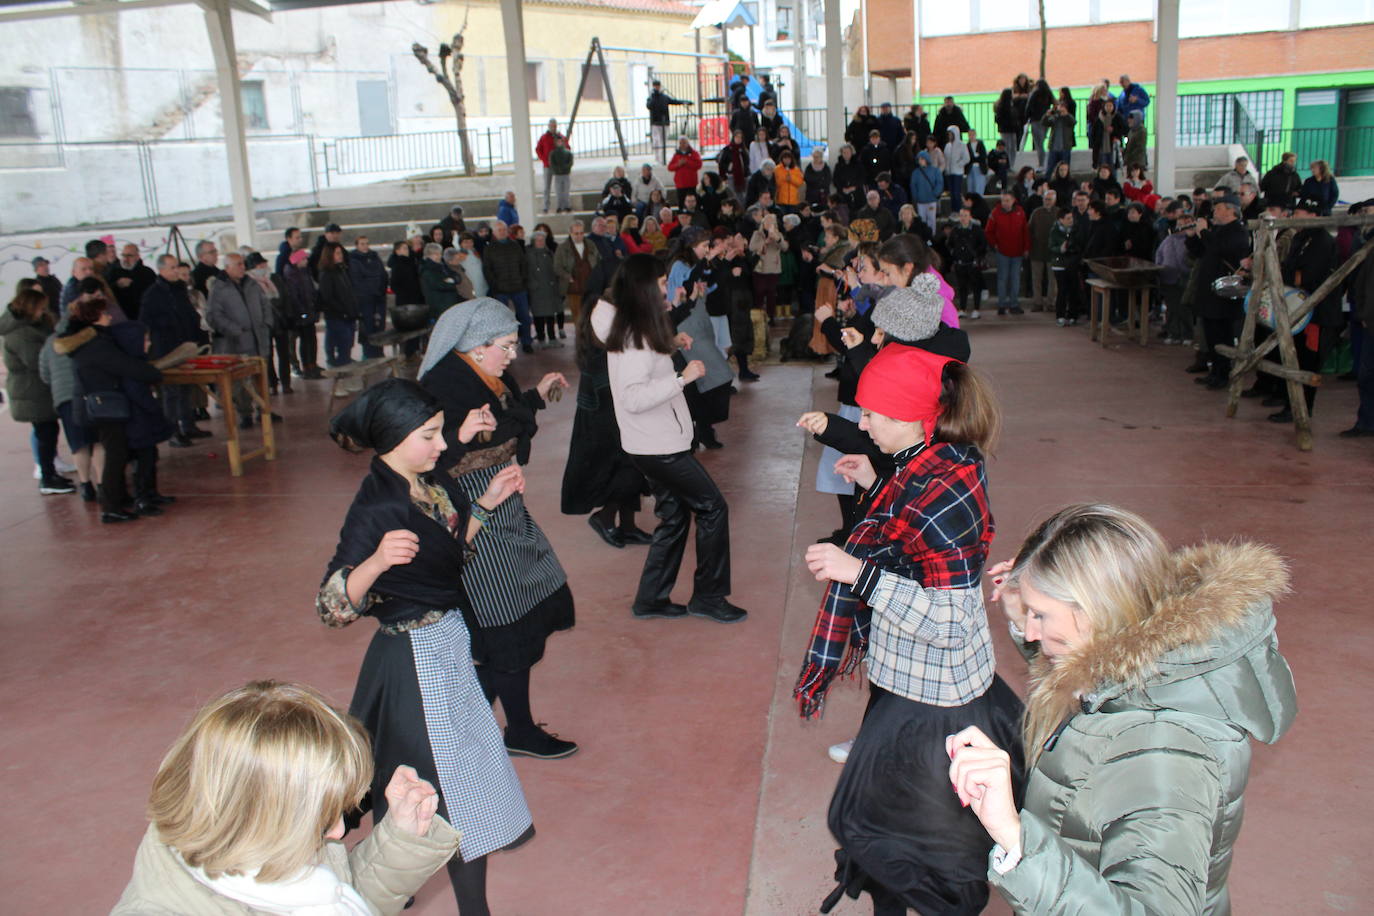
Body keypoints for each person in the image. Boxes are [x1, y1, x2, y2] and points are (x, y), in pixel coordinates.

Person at [949, 504, 1295, 915]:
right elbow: (1098, 689)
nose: (1029, 630)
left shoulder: (1166, 753)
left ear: (1099, 613)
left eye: (1040, 615)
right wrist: (1025, 609)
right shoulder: (1150, 669)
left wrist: (1015, 837)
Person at [796, 343, 1023, 916]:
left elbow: (948, 619)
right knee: (887, 836)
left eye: (872, 414)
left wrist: (859, 574)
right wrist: (875, 483)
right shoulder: (930, 461)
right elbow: (911, 536)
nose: (862, 423)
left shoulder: (944, 487)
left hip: (934, 701)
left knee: (912, 845)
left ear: (914, 418)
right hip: (907, 682)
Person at [317, 379, 534, 913]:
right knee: (447, 793)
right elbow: (329, 608)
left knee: (434, 781)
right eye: (431, 435)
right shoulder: (376, 507)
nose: (443, 446)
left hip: (446, 646)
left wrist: (484, 505)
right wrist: (374, 563)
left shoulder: (424, 481)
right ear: (393, 439)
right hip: (414, 659)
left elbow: (446, 552)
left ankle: (395, 876)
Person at [111, 680, 463, 915]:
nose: (339, 832)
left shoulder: (246, 837)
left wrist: (399, 838)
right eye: (321, 817)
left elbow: (341, 895)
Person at [418, 301, 577, 761]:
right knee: (504, 620)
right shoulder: (441, 387)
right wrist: (460, 438)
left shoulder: (483, 375)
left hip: (502, 501)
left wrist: (536, 393)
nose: (511, 355)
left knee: (526, 601)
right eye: (505, 346)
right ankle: (511, 731)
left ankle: (468, 730)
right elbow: (423, 459)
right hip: (474, 513)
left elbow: (504, 417)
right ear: (477, 345)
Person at [592, 254, 747, 624]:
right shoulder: (631, 336)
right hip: (657, 447)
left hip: (656, 442)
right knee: (712, 507)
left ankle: (651, 599)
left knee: (675, 517)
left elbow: (646, 367)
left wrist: (671, 345)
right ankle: (708, 596)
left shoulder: (636, 327)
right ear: (644, 288)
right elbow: (632, 397)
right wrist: (682, 378)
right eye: (661, 283)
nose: (665, 288)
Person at [54, 293, 163, 522]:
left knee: (116, 453)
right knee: (115, 455)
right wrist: (152, 373)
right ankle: (111, 507)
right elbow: (124, 366)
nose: (109, 317)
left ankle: (117, 499)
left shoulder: (91, 341)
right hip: (104, 406)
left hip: (101, 404)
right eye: (104, 313)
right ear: (94, 318)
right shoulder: (95, 344)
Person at [561, 294, 652, 548]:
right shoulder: (600, 351)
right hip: (603, 422)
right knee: (623, 472)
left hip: (614, 417)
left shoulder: (608, 343)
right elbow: (609, 395)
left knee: (631, 470)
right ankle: (604, 518)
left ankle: (629, 526)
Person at [2, 289, 73, 495]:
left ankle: (50, 472)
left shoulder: (31, 327)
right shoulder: (20, 333)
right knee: (45, 433)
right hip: (32, 390)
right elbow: (34, 361)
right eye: (41, 308)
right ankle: (47, 476)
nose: (44, 312)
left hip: (37, 389)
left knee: (48, 431)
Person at [140, 253, 211, 444]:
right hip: (167, 349)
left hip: (186, 345)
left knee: (186, 388)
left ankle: (188, 425)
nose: (176, 271)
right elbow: (146, 321)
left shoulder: (179, 290)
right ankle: (172, 432)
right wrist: (168, 324)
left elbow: (189, 314)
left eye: (176, 267)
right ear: (162, 270)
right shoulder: (153, 294)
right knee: (171, 392)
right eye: (172, 268)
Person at [1186, 193, 1251, 388]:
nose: (1215, 211)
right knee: (1211, 334)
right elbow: (1199, 252)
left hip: (1225, 293)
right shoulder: (1218, 230)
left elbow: (1221, 248)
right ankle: (1214, 370)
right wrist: (1192, 237)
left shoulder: (1238, 231)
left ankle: (1223, 373)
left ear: (1231, 210)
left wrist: (1204, 233)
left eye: (1219, 207)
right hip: (1209, 292)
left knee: (1223, 334)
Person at [206, 252, 275, 427]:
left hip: (259, 338)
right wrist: (234, 330)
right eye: (238, 264)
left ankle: (264, 410)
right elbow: (214, 315)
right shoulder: (219, 288)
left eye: (243, 264)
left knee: (261, 377)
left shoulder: (252, 284)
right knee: (242, 382)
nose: (242, 267)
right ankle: (246, 413)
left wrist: (266, 323)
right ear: (227, 267)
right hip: (237, 342)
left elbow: (265, 304)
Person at [483, 221, 535, 354]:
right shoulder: (489, 248)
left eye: (504, 229)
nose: (502, 232)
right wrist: (495, 285)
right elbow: (487, 269)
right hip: (501, 290)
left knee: (524, 317)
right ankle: (505, 346)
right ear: (494, 232)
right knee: (503, 320)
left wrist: (523, 282)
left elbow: (523, 265)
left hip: (519, 288)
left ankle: (527, 342)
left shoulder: (515, 245)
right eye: (499, 230)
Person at [986, 191, 1030, 316]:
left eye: (1007, 200)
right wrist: (995, 244)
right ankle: (1001, 305)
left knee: (1015, 279)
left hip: (1018, 251)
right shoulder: (995, 213)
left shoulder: (1020, 212)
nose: (1004, 203)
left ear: (1013, 200)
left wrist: (1026, 247)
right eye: (1003, 200)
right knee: (1002, 279)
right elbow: (988, 231)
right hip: (1002, 252)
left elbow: (1025, 231)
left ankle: (1014, 304)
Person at [281, 247, 323, 378]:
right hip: (302, 314)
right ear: (297, 260)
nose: (306, 260)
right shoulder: (292, 275)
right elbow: (295, 297)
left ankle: (313, 364)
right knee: (306, 341)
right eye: (304, 258)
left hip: (309, 312)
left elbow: (310, 291)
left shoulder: (305, 272)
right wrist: (303, 313)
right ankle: (307, 367)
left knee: (312, 340)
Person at [316, 241, 359, 370]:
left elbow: (348, 290)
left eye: (341, 253)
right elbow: (328, 298)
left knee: (347, 343)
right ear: (330, 255)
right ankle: (341, 367)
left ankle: (344, 363)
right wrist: (343, 311)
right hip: (337, 316)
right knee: (342, 343)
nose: (340, 256)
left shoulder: (341, 269)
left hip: (347, 314)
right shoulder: (326, 274)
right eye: (337, 253)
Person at [349, 236, 389, 360]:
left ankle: (379, 351)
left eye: (366, 243)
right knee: (368, 327)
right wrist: (371, 290)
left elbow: (383, 275)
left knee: (379, 326)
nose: (365, 246)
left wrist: (381, 290)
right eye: (362, 244)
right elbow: (358, 281)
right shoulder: (353, 260)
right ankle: (369, 353)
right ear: (357, 245)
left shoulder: (374, 257)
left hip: (379, 298)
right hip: (365, 299)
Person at [948, 207, 988, 320]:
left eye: (965, 215)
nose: (963, 218)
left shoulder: (977, 229)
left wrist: (977, 255)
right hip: (960, 263)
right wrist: (954, 253)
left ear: (970, 217)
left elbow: (983, 244)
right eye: (961, 215)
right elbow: (950, 244)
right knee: (962, 287)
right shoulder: (955, 230)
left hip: (973, 263)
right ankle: (962, 309)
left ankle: (976, 309)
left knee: (976, 286)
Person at [527, 230, 562, 349]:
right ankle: (541, 338)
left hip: (550, 289)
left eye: (543, 240)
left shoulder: (549, 253)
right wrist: (533, 284)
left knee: (551, 315)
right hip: (536, 290)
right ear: (533, 241)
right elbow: (526, 271)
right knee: (538, 316)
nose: (541, 242)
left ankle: (552, 338)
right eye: (538, 240)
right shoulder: (529, 254)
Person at [750, 211, 788, 319]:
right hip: (760, 268)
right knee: (759, 292)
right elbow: (751, 247)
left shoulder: (778, 234)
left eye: (771, 222)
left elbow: (784, 247)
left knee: (772, 293)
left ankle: (771, 316)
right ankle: (759, 315)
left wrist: (777, 239)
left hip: (773, 268)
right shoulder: (757, 234)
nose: (769, 224)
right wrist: (765, 242)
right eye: (767, 222)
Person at [1049, 206, 1083, 325]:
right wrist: (1061, 248)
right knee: (1062, 290)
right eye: (1068, 218)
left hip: (1072, 263)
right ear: (1061, 220)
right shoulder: (1055, 230)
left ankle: (1073, 314)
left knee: (1074, 290)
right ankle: (1060, 315)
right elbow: (1051, 247)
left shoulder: (1075, 229)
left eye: (1071, 218)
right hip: (1060, 264)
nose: (1071, 220)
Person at [106, 243, 156, 321]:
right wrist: (117, 285)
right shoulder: (113, 272)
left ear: (137, 256)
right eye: (123, 255)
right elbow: (106, 290)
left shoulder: (147, 272)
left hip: (143, 314)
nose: (126, 259)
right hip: (121, 315)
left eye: (129, 256)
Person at [1027, 189, 1058, 312]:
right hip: (1037, 250)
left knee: (1053, 280)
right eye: (1045, 199)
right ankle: (1037, 302)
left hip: (1053, 252)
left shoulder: (1059, 212)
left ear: (1054, 200)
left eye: (1050, 199)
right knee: (1036, 279)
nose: (1047, 202)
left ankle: (1051, 302)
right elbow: (1029, 229)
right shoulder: (1036, 213)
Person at [646, 79, 688, 163]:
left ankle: (662, 158)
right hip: (655, 123)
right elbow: (649, 106)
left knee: (663, 141)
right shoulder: (651, 98)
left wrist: (684, 102)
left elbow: (673, 101)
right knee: (656, 141)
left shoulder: (664, 97)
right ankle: (657, 158)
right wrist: (654, 95)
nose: (657, 87)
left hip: (665, 122)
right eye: (655, 86)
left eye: (658, 86)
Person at [535, 118, 567, 213]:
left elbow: (567, 148)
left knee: (559, 187)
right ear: (549, 126)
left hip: (558, 167)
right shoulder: (544, 137)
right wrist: (544, 159)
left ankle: (560, 206)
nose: (553, 127)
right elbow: (538, 149)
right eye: (551, 126)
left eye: (555, 126)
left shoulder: (560, 137)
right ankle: (546, 206)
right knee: (546, 187)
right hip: (547, 166)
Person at [1042, 100, 1076, 179]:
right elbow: (1044, 123)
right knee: (1049, 168)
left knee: (1065, 169)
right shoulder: (1055, 117)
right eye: (1059, 107)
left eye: (1062, 107)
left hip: (1065, 148)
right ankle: (1046, 182)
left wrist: (1066, 115)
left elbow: (1073, 122)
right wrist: (1047, 115)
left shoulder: (1068, 117)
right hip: (1053, 147)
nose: (1060, 109)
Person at [666, 136, 702, 205]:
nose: (682, 145)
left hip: (691, 184)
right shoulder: (676, 155)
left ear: (688, 143)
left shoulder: (694, 153)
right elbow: (670, 167)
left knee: (693, 203)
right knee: (681, 203)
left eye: (684, 143)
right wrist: (678, 164)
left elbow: (699, 165)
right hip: (680, 184)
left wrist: (687, 162)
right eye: (680, 143)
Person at [943, 127, 970, 212]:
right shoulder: (947, 146)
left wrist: (959, 164)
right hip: (949, 172)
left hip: (958, 173)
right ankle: (953, 210)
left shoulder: (962, 145)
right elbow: (945, 158)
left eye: (951, 134)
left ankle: (958, 210)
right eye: (949, 134)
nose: (950, 136)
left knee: (956, 193)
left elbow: (967, 158)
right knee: (952, 193)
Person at [31, 257, 63, 321]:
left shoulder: (54, 279)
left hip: (63, 311)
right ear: (36, 270)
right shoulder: (37, 284)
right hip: (52, 316)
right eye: (41, 265)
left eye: (46, 264)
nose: (45, 267)